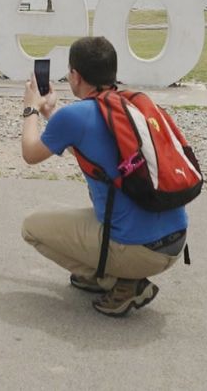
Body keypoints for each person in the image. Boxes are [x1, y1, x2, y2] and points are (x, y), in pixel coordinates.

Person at [19, 36, 189, 317]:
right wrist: (51, 113)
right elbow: (92, 151)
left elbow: (30, 153)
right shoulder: (131, 104)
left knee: (31, 228)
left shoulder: (75, 116)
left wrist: (31, 109)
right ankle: (116, 271)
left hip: (137, 250)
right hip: (174, 241)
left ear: (75, 75)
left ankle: (119, 281)